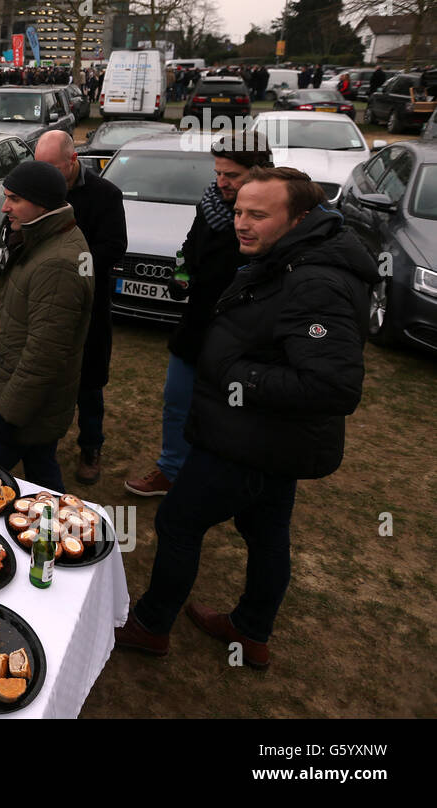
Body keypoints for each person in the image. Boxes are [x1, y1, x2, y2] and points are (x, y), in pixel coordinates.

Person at [115, 168, 377, 667]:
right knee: (266, 532)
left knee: (178, 522)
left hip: (251, 442)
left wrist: (239, 375)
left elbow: (333, 385)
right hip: (271, 441)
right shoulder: (290, 258)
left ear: (299, 217)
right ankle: (251, 631)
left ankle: (151, 626)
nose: (242, 223)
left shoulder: (317, 281)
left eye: (258, 214)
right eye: (238, 212)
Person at [126, 132, 273, 496]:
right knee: (177, 401)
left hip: (242, 335)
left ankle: (225, 480)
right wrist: (181, 275)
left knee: (229, 412)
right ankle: (171, 470)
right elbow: (188, 247)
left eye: (232, 176)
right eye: (219, 172)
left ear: (258, 174)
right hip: (196, 325)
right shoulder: (209, 203)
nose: (221, 181)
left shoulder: (273, 221)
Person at [0, 160, 93, 491]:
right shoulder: (51, 239)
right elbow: (45, 314)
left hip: (22, 406)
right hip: (33, 403)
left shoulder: (57, 263)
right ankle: (55, 531)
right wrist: (0, 316)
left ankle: (40, 535)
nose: (4, 207)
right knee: (42, 471)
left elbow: (45, 354)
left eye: (14, 199)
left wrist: (9, 418)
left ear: (41, 203)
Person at [32, 130, 126, 484]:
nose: (46, 176)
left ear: (73, 161)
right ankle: (42, 444)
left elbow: (114, 246)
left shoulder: (105, 194)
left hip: (88, 305)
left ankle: (91, 446)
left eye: (52, 167)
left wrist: (71, 266)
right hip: (45, 302)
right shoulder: (41, 191)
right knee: (48, 375)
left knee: (88, 382)